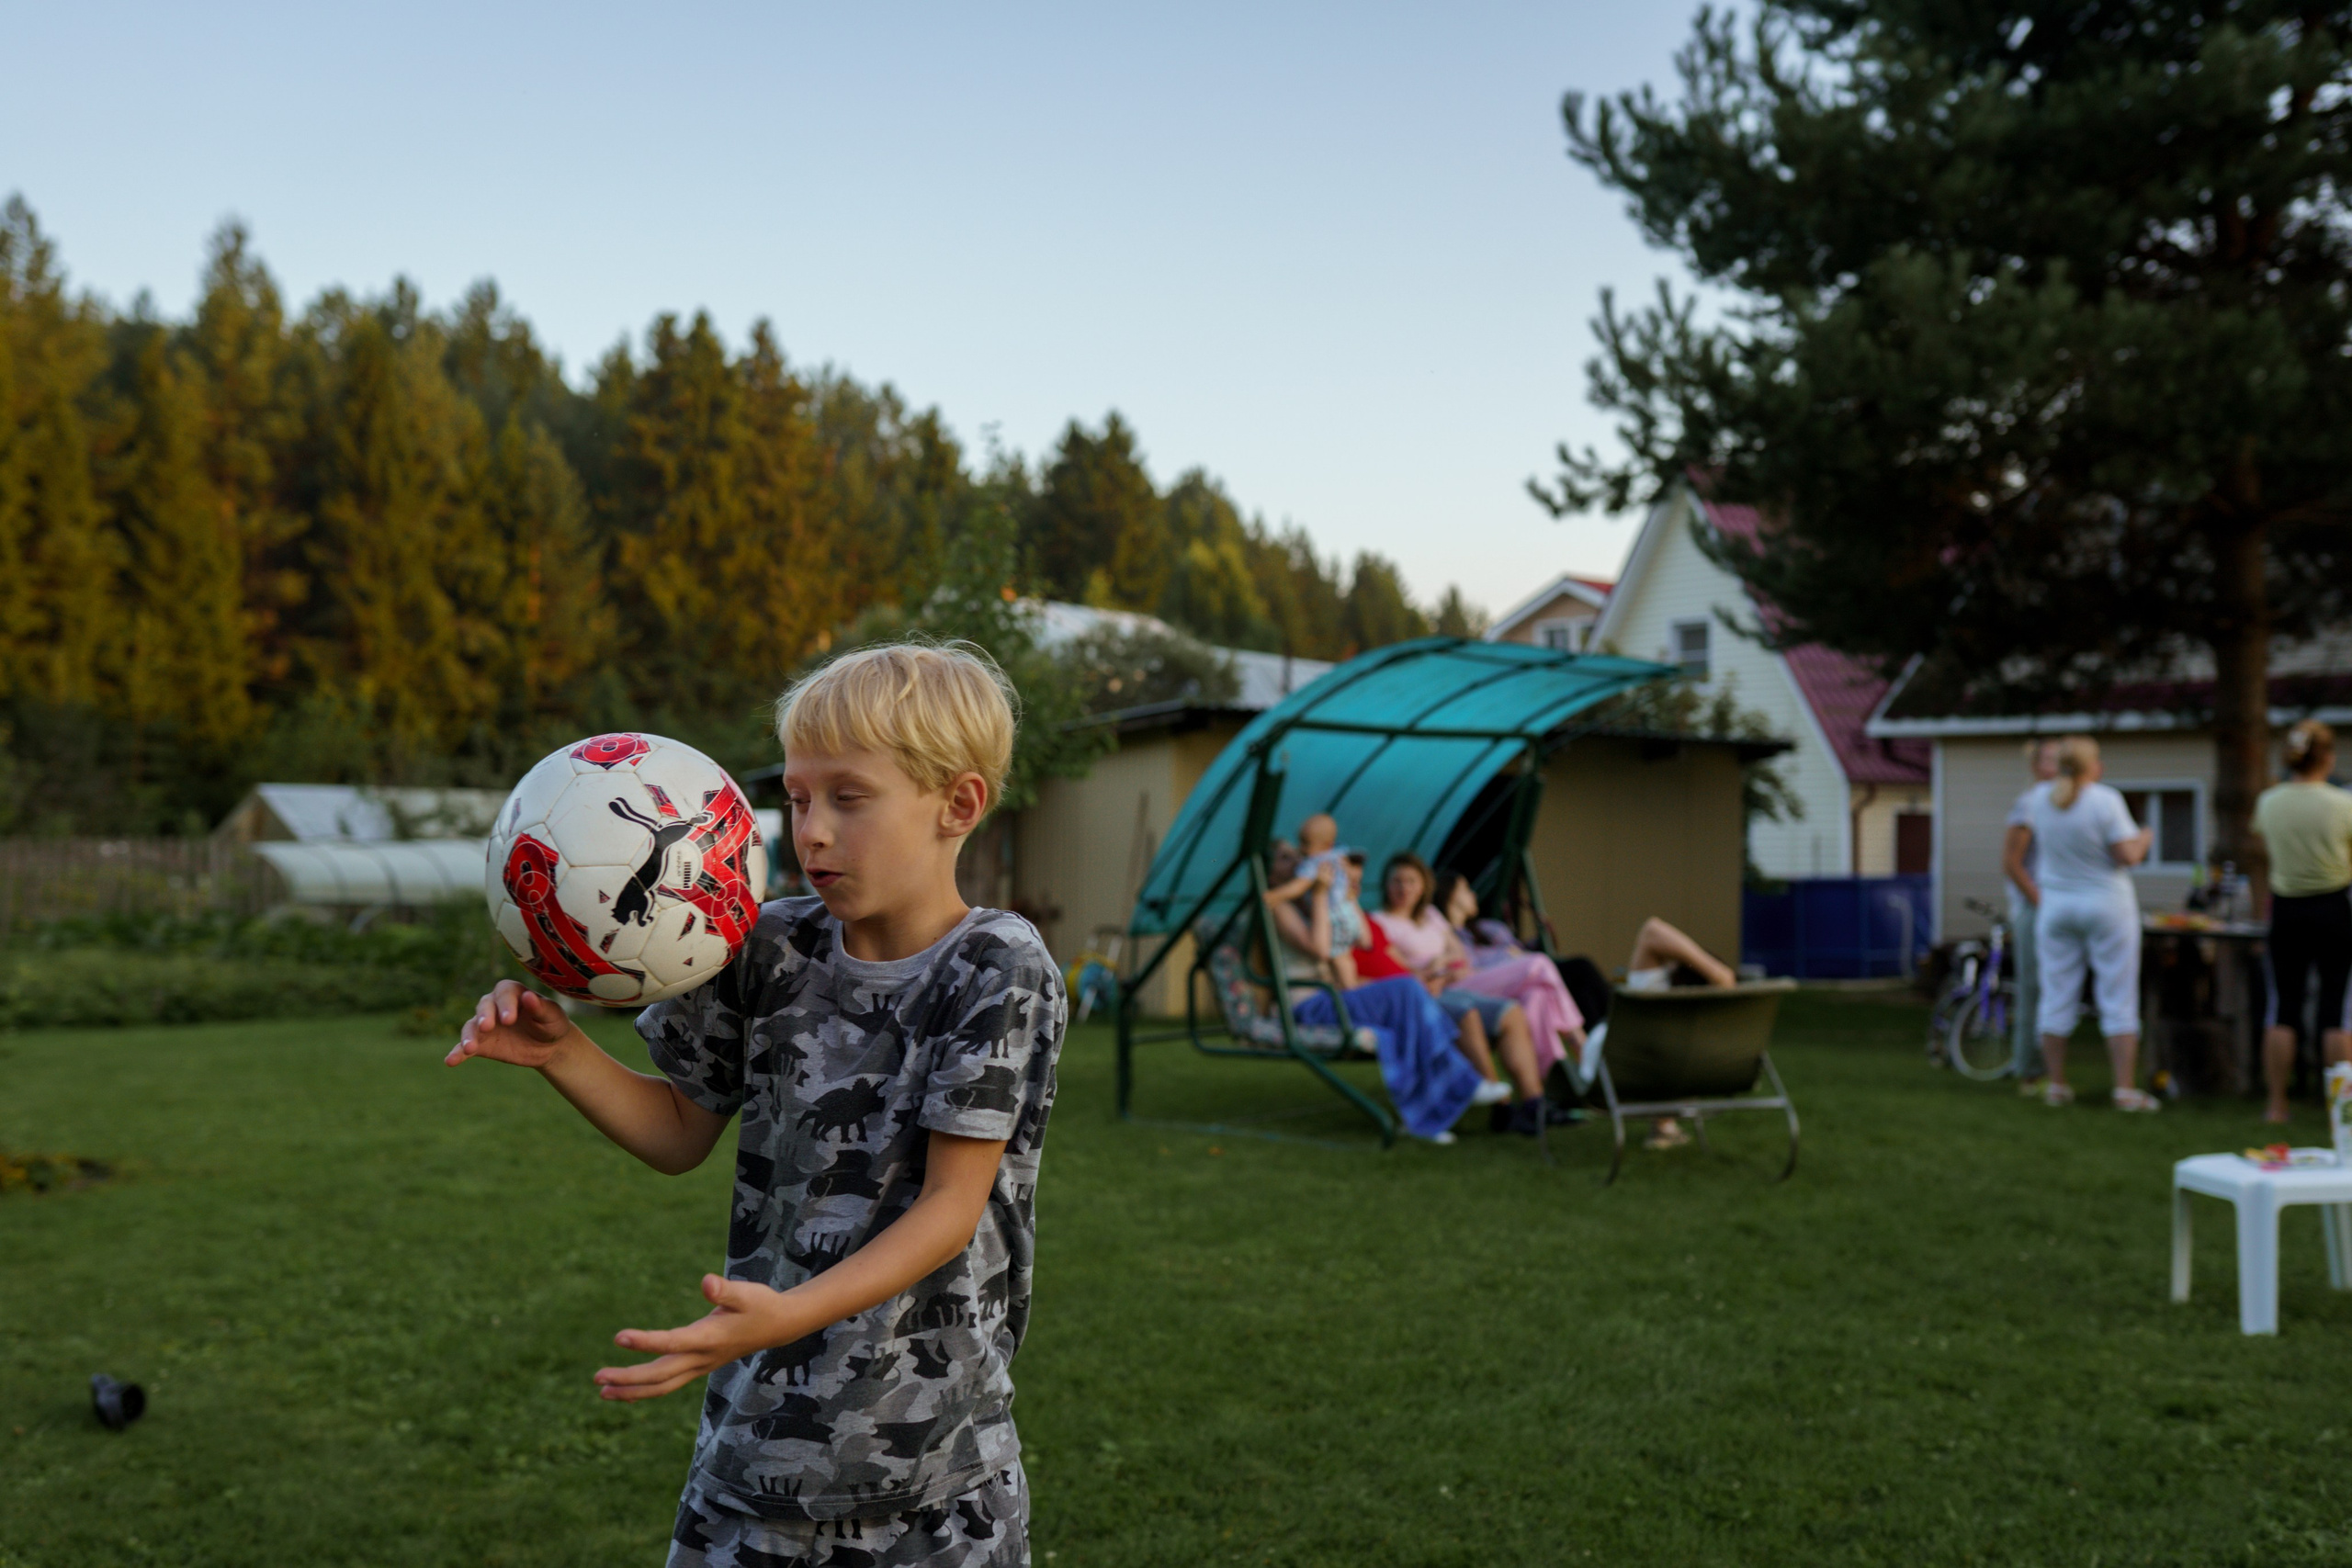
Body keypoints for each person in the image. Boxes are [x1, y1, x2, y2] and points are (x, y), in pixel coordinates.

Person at [448, 642, 1062, 1566]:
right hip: (752, 1457)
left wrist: (787, 1312)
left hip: (930, 1477)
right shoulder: (765, 944)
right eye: (798, 796)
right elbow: (679, 1132)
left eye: (847, 798)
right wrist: (562, 1053)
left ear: (958, 805)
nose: (810, 831)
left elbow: (949, 1210)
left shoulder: (995, 968)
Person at [1261, 840, 1492, 1143]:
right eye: (1284, 858)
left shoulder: (1309, 903)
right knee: (1406, 990)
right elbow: (1319, 949)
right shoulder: (1280, 908)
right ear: (1268, 873)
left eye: (1297, 856)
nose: (1295, 862)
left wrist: (1346, 893)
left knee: (1407, 1005)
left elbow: (1366, 939)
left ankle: (1428, 1114)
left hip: (1332, 996)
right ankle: (1460, 1081)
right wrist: (1320, 894)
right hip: (1307, 1005)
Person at [1369, 852, 1566, 1136]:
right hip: (1420, 994)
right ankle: (1502, 1109)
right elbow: (1389, 964)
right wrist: (1426, 972)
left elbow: (1458, 952)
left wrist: (1442, 966)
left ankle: (1534, 1103)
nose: (1404, 888)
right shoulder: (1380, 922)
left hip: (1452, 981)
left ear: (1423, 885)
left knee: (1510, 1010)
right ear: (1386, 886)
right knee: (1468, 1011)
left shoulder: (1431, 917)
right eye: (1397, 881)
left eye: (1411, 881)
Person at [2027, 735, 2158, 1111]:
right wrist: (2146, 835)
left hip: (2055, 906)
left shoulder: (2040, 798)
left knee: (2056, 994)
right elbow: (2128, 854)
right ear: (2092, 766)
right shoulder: (2105, 800)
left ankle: (2056, 1085)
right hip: (2105, 905)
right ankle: (2124, 1089)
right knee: (2117, 996)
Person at [2253, 720, 2352, 1123]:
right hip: (2334, 909)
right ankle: (2342, 1112)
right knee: (2335, 1012)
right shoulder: (2343, 803)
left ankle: (2277, 1106)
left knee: (2283, 1010)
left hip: (2287, 910)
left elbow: (2262, 852)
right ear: (2327, 757)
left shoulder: (2269, 802)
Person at [1431, 870, 1590, 1074]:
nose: (1473, 895)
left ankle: (1551, 1076)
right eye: (1465, 889)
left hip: (1499, 982)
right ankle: (1579, 1041)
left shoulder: (1483, 929)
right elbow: (1456, 967)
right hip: (1463, 987)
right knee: (1540, 963)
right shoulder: (1438, 926)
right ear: (1450, 894)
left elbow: (1514, 951)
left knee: (1536, 996)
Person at [2001, 739, 2063, 1091]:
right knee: (2033, 988)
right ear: (2037, 767)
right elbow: (2012, 863)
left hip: (2059, 907)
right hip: (2034, 907)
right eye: (2051, 760)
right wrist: (2041, 901)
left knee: (2057, 989)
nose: (2057, 767)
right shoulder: (2030, 804)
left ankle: (2052, 1070)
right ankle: (2027, 1070)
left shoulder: (2067, 804)